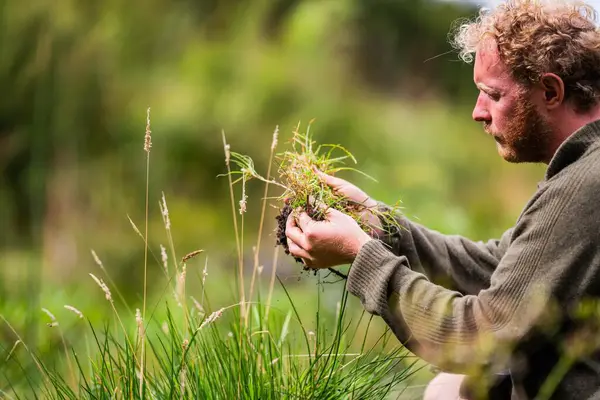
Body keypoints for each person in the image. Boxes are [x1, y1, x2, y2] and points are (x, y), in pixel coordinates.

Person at [284, 1, 600, 399]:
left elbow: (477, 339)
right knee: (451, 389)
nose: (477, 112)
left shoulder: (586, 186)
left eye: (492, 94)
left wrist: (361, 255)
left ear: (551, 91)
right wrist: (378, 225)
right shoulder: (584, 170)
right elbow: (498, 267)